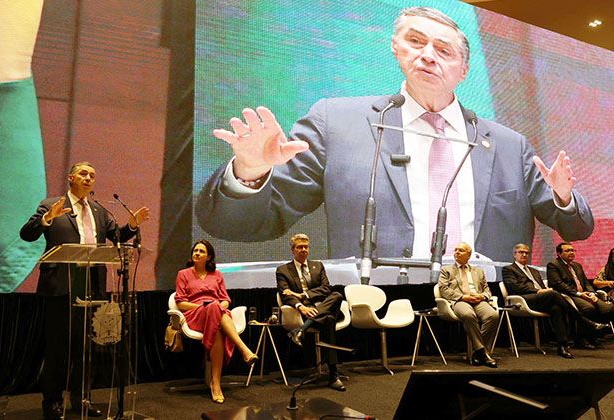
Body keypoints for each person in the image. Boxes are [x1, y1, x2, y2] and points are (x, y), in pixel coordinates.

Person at [196, 6, 594, 264]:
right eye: (416, 42)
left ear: (463, 70)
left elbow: (576, 230)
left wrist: (563, 197)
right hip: (378, 324)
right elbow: (239, 226)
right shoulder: (337, 122)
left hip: (487, 316)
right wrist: (248, 171)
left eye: (444, 50)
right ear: (396, 50)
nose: (428, 55)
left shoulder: (509, 144)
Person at [20, 161, 150, 420]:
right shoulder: (51, 205)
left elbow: (117, 238)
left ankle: (81, 398)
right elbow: (27, 234)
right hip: (61, 285)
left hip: (93, 286)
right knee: (58, 348)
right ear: (70, 178)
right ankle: (53, 402)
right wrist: (47, 219)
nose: (89, 178)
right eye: (83, 173)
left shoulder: (100, 211)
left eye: (92, 175)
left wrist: (132, 226)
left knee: (86, 349)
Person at [174, 240, 258, 404]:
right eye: (195, 250)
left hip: (216, 314)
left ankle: (216, 383)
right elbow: (180, 303)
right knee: (213, 308)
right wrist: (205, 306)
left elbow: (225, 300)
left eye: (201, 251)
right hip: (195, 314)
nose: (197, 253)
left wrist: (217, 306)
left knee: (217, 320)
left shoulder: (217, 275)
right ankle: (243, 350)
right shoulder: (183, 274)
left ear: (209, 256)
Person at [502, 244, 607, 358]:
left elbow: (542, 287)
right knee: (553, 294)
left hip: (540, 299)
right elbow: (514, 287)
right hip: (522, 299)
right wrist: (537, 291)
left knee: (556, 308)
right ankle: (584, 321)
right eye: (521, 252)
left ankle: (562, 346)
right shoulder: (508, 269)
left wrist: (543, 291)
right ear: (514, 254)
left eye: (526, 253)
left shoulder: (534, 271)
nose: (524, 255)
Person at [276, 234, 346, 391]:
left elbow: (326, 288)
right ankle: (334, 375)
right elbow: (285, 295)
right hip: (302, 311)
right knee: (328, 320)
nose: (303, 250)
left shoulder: (318, 266)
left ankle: (301, 330)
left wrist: (302, 295)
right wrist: (301, 306)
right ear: (293, 249)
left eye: (306, 247)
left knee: (337, 295)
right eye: (300, 247)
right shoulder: (283, 270)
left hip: (322, 305)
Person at [439, 242, 498, 367]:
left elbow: (487, 289)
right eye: (455, 250)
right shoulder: (446, 270)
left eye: (461, 250)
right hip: (460, 300)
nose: (457, 252)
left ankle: (478, 352)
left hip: (478, 299)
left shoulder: (479, 271)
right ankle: (483, 352)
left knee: (493, 315)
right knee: (468, 315)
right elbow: (443, 289)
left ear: (469, 255)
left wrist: (483, 296)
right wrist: (462, 297)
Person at [547, 242, 614, 348]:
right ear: (559, 253)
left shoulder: (577, 265)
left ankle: (593, 335)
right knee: (589, 309)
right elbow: (558, 285)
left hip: (585, 294)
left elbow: (586, 283)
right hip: (570, 296)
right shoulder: (554, 265)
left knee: (608, 309)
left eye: (573, 250)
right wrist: (579, 294)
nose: (571, 253)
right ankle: (581, 339)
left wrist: (592, 293)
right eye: (567, 251)